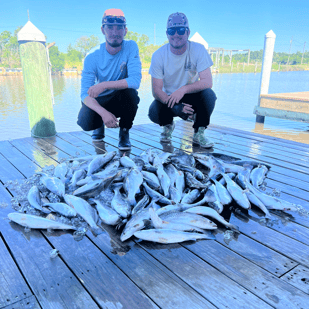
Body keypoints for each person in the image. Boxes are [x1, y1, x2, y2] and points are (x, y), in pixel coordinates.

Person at [148, 12, 217, 148]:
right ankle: (168, 126)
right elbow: (156, 90)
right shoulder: (158, 55)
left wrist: (183, 89)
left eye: (180, 30)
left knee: (209, 95)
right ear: (167, 33)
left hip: (192, 94)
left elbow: (207, 81)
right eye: (171, 30)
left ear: (188, 32)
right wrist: (174, 106)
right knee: (153, 111)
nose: (176, 35)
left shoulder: (198, 49)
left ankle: (199, 132)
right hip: (170, 97)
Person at [77, 8, 142, 150]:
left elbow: (135, 81)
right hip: (101, 100)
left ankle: (124, 133)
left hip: (119, 97)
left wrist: (104, 84)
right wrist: (103, 113)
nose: (114, 32)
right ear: (102, 30)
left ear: (125, 30)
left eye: (119, 28)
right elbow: (84, 94)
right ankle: (99, 125)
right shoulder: (92, 56)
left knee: (131, 94)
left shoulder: (131, 46)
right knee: (85, 122)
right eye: (110, 27)